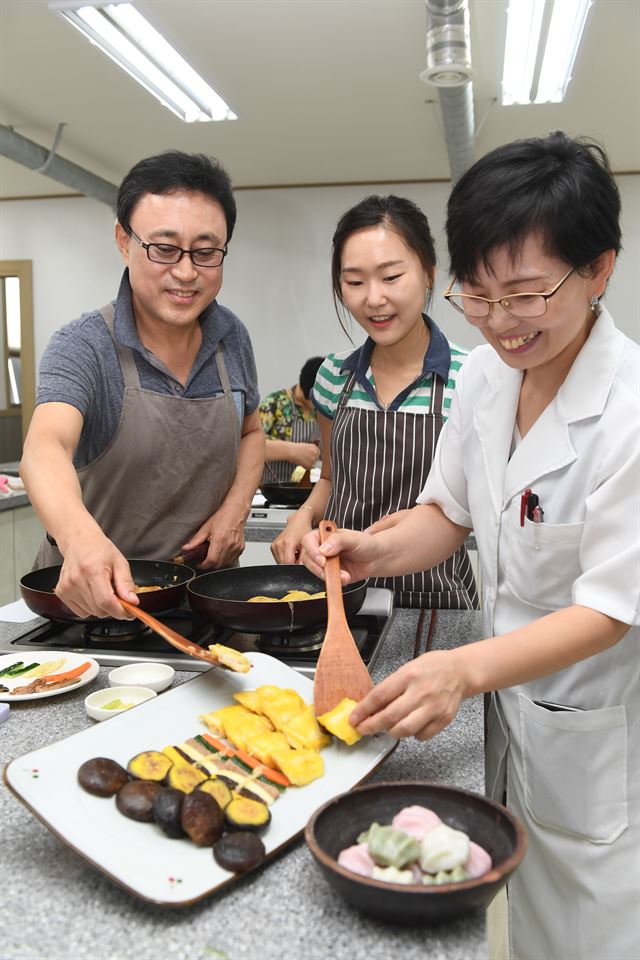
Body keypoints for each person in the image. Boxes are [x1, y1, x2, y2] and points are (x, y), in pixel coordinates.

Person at [301, 133, 639, 960]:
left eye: (524, 295)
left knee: (587, 930)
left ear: (600, 268)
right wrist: (368, 551)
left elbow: (610, 607)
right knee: (514, 930)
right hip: (504, 707)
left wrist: (462, 668)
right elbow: (447, 512)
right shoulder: (488, 376)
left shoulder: (630, 409)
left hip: (587, 718)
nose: (500, 323)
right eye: (478, 296)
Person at [20, 151, 265, 620]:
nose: (186, 271)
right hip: (94, 609)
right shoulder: (84, 345)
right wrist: (80, 538)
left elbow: (252, 434)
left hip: (207, 600)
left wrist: (236, 509)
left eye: (206, 251)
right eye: (164, 248)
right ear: (123, 241)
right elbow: (44, 447)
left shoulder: (231, 337)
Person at [273, 195, 477, 611]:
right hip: (344, 589)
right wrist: (302, 517)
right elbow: (331, 479)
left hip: (438, 598)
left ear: (428, 275)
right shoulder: (334, 376)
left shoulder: (471, 377)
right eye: (354, 282)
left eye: (391, 277)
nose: (373, 299)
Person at [259, 356, 324, 482]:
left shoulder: (322, 410)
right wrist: (293, 451)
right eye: (315, 401)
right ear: (308, 393)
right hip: (274, 490)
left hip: (308, 492)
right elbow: (249, 445)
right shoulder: (275, 404)